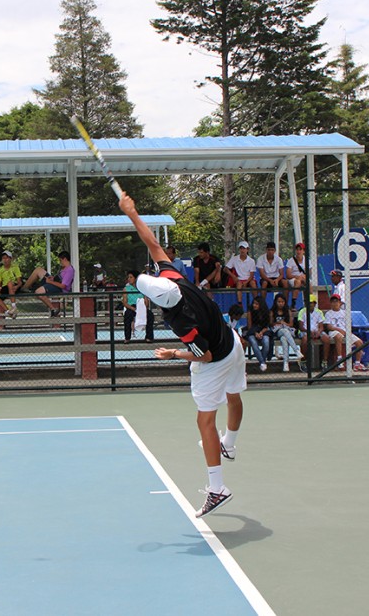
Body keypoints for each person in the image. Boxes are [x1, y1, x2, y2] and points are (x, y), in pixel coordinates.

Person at [118, 190, 245, 519]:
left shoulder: (180, 320)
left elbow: (201, 356)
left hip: (215, 357)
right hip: (234, 343)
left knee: (204, 421)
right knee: (234, 395)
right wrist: (131, 213)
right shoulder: (175, 278)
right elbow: (154, 244)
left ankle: (217, 488)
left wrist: (174, 353)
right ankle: (230, 441)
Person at [323, 293, 367, 371]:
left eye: (336, 301)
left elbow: (349, 325)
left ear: (340, 303)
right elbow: (328, 327)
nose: (335, 303)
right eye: (333, 301)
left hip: (346, 332)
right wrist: (339, 330)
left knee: (359, 342)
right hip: (334, 331)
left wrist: (347, 332)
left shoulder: (345, 312)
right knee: (338, 336)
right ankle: (340, 360)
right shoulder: (328, 313)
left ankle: (357, 363)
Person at [23, 251, 75, 317]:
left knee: (38, 292)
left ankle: (53, 309)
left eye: (60, 260)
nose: (60, 262)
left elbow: (63, 285)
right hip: (53, 283)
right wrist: (52, 278)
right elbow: (59, 278)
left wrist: (50, 282)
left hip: (60, 289)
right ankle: (24, 288)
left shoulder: (69, 270)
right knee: (38, 270)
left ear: (65, 259)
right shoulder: (63, 268)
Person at [296, 295, 329, 371]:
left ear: (314, 303)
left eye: (311, 302)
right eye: (307, 302)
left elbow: (321, 326)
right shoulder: (302, 311)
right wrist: (309, 332)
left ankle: (324, 361)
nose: (309, 304)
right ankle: (304, 361)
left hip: (316, 331)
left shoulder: (319, 312)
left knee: (326, 339)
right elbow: (301, 326)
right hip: (305, 331)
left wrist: (318, 332)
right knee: (304, 339)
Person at [244, 295, 272, 372]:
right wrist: (256, 333)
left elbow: (267, 326)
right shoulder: (250, 312)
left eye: (256, 304)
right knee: (253, 342)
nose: (254, 305)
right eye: (254, 303)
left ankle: (262, 362)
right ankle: (262, 362)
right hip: (253, 330)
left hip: (264, 330)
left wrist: (261, 333)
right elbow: (250, 326)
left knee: (266, 342)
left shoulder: (266, 312)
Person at [270, 295, 298, 372]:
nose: (280, 303)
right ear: (275, 302)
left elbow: (291, 324)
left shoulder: (287, 311)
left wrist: (284, 323)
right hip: (277, 331)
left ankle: (286, 364)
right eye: (279, 302)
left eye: (282, 302)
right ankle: (296, 350)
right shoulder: (272, 311)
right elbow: (271, 324)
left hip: (287, 330)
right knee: (284, 331)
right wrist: (279, 323)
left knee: (284, 339)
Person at [0, 250, 21, 321]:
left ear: (10, 259)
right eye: (3, 258)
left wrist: (17, 286)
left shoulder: (15, 267)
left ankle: (13, 306)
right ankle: (8, 312)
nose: (5, 260)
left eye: (7, 258)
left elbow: (19, 282)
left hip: (14, 286)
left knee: (10, 283)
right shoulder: (0, 270)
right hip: (5, 287)